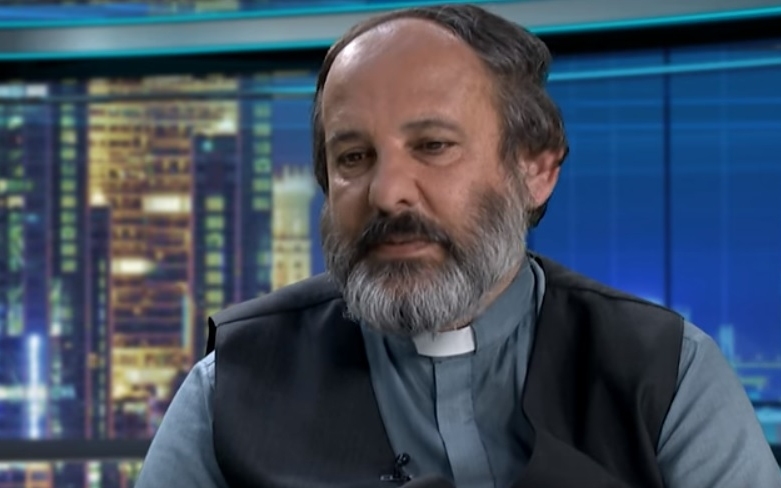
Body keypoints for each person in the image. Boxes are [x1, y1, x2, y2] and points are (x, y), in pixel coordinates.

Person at [136, 4, 781, 488]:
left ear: (536, 169)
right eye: (353, 157)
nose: (387, 192)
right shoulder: (231, 388)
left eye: (433, 146)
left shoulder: (668, 377)